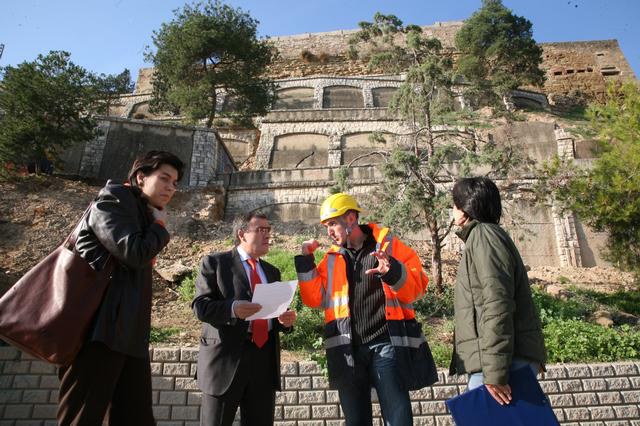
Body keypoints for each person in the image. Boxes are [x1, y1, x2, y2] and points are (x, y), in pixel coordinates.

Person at [57, 150, 185, 425]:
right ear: (140, 177)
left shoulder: (142, 214)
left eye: (175, 183)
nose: (171, 188)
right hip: (99, 332)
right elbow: (133, 252)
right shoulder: (113, 199)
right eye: (164, 178)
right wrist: (160, 227)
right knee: (82, 417)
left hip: (128, 335)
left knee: (136, 418)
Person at [295, 193, 438, 426]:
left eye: (332, 224)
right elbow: (314, 299)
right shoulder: (331, 258)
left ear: (351, 218)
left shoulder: (388, 246)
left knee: (397, 418)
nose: (329, 231)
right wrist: (305, 260)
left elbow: (417, 288)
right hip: (348, 350)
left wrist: (391, 271)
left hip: (385, 344)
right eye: (326, 226)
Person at [449, 177, 547, 406]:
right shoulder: (486, 236)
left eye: (455, 204)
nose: (452, 210)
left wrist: (495, 371)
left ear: (466, 208)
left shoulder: (484, 236)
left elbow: (497, 302)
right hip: (502, 359)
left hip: (497, 364)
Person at [192, 212, 296, 426]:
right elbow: (200, 306)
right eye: (261, 230)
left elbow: (270, 314)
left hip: (263, 363)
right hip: (225, 363)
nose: (268, 235)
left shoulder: (272, 272)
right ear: (242, 234)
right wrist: (232, 309)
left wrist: (284, 320)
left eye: (269, 230)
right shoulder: (215, 263)